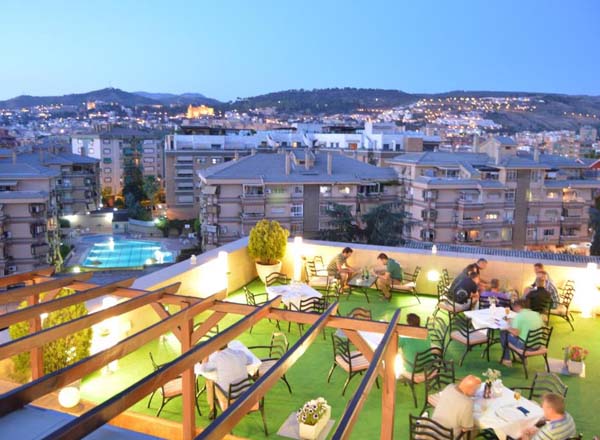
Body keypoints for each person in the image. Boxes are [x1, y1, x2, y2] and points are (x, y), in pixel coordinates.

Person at [203, 345, 254, 413]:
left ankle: (212, 408)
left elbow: (203, 368)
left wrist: (205, 356)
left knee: (209, 380)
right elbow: (250, 360)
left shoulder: (217, 358)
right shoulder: (240, 353)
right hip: (244, 390)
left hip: (228, 394)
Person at [500, 298, 543, 366]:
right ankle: (522, 358)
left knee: (503, 334)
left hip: (525, 346)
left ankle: (507, 359)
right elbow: (527, 324)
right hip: (537, 345)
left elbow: (516, 333)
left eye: (514, 307)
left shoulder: (519, 316)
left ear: (518, 306)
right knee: (518, 335)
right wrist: (512, 321)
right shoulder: (537, 314)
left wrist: (507, 328)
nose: (513, 309)